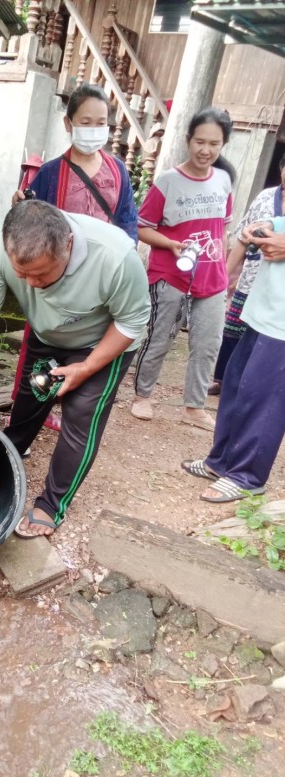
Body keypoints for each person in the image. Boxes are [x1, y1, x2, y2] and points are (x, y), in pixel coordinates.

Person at [0, 201, 150, 538]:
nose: (30, 284)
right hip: (47, 333)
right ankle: (6, 460)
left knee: (82, 416)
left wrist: (85, 368)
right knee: (30, 398)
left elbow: (132, 323)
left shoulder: (114, 257)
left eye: (41, 274)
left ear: (68, 245)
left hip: (103, 342)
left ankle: (52, 504)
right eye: (21, 274)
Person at [11, 83, 139, 430]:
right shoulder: (52, 172)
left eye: (102, 122)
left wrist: (123, 265)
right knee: (46, 336)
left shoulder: (118, 172)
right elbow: (33, 222)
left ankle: (73, 397)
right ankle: (33, 403)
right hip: (60, 275)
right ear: (69, 124)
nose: (95, 129)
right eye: (86, 121)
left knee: (94, 336)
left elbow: (128, 222)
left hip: (102, 274)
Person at [131, 107, 235, 431]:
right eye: (199, 142)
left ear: (222, 145)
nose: (205, 150)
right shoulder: (168, 182)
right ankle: (142, 395)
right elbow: (142, 227)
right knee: (160, 337)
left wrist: (226, 269)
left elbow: (225, 229)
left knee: (207, 344)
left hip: (211, 276)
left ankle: (194, 406)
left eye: (214, 144)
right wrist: (170, 244)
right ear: (188, 140)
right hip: (170, 274)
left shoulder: (223, 180)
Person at [181, 217, 285, 502]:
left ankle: (247, 476)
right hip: (263, 308)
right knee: (236, 386)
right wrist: (264, 226)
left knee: (265, 400)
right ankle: (222, 462)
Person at [208, 153, 285, 395]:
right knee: (234, 332)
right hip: (251, 278)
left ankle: (251, 387)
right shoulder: (265, 197)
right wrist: (223, 279)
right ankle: (223, 380)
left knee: (266, 342)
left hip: (277, 293)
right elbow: (242, 236)